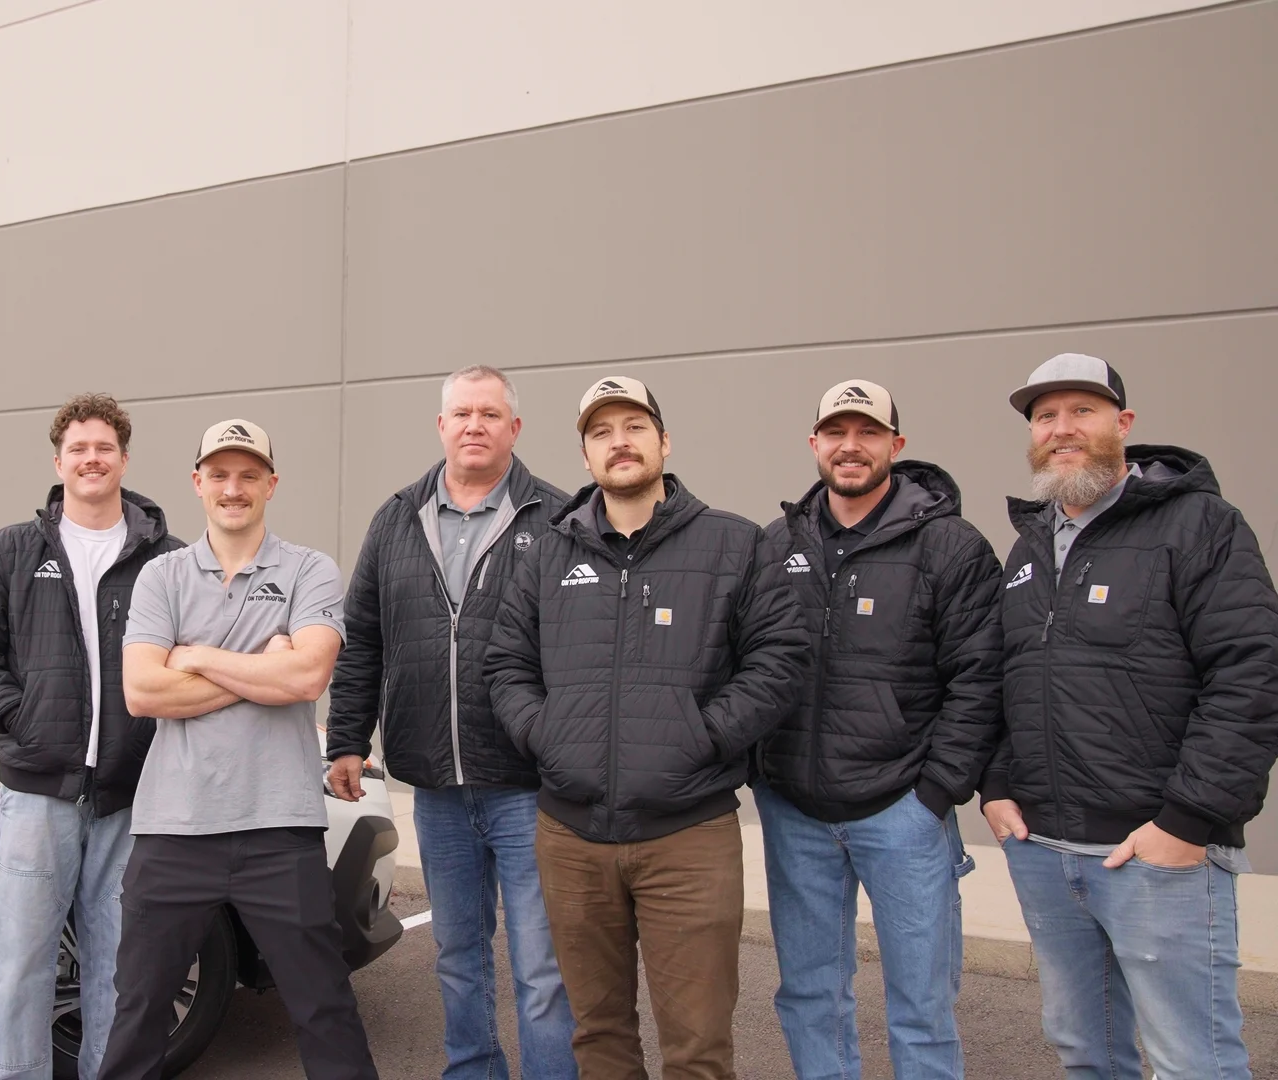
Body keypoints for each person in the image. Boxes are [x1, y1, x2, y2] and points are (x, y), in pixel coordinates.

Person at [487, 375, 808, 1080]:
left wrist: (703, 737)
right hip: (571, 837)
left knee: (697, 1046)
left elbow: (779, 661)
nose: (618, 442)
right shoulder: (547, 554)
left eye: (633, 426)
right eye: (600, 432)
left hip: (687, 836)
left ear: (664, 441)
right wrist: (548, 736)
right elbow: (506, 665)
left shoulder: (734, 543)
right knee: (598, 1035)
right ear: (586, 455)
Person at [982, 353, 1278, 1080]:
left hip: (1158, 855)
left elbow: (1251, 673)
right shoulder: (1027, 549)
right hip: (1045, 849)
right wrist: (995, 786)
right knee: (1086, 1054)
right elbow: (1005, 678)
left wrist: (1189, 820)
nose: (1062, 429)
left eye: (1081, 410)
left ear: (1124, 423)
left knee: (1193, 1062)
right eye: (1045, 416)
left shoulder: (1199, 526)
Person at [100, 420, 378, 1080]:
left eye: (249, 474)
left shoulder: (310, 569)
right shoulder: (162, 576)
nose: (234, 487)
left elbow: (306, 678)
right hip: (174, 830)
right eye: (219, 474)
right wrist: (259, 666)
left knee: (324, 1008)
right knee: (139, 1011)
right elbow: (142, 691)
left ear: (271, 485)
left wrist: (192, 657)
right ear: (198, 484)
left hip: (278, 830)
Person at [327, 365, 577, 1080]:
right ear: (441, 427)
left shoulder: (556, 518)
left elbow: (579, 650)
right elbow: (363, 637)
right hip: (434, 784)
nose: (475, 425)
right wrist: (347, 738)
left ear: (515, 429)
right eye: (462, 413)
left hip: (528, 786)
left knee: (541, 968)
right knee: (458, 957)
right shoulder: (397, 517)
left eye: (490, 414)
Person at [757, 380, 1002, 1079]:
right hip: (795, 811)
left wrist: (938, 790)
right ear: (814, 444)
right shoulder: (778, 544)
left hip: (903, 811)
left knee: (920, 1006)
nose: (850, 446)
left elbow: (979, 676)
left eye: (867, 432)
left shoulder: (949, 546)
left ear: (896, 445)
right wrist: (761, 769)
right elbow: (749, 663)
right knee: (809, 995)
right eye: (836, 432)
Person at [0, 393, 184, 1080]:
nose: (92, 459)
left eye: (104, 447)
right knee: (21, 962)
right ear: (59, 461)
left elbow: (195, 652)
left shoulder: (165, 558)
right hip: (38, 794)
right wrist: (22, 717)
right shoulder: (13, 552)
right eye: (79, 448)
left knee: (121, 964)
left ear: (124, 459)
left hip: (130, 796)